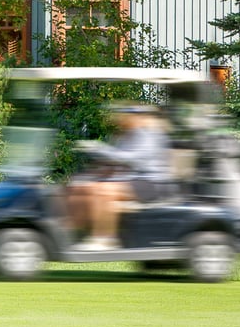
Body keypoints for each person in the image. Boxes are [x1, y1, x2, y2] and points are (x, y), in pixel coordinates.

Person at [66, 107, 174, 251]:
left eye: (125, 116)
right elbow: (115, 162)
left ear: (135, 117)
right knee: (82, 187)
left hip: (152, 183)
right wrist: (89, 175)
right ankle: (73, 234)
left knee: (104, 190)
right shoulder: (126, 136)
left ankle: (105, 239)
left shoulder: (149, 134)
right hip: (134, 180)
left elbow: (131, 159)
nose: (120, 120)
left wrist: (100, 149)